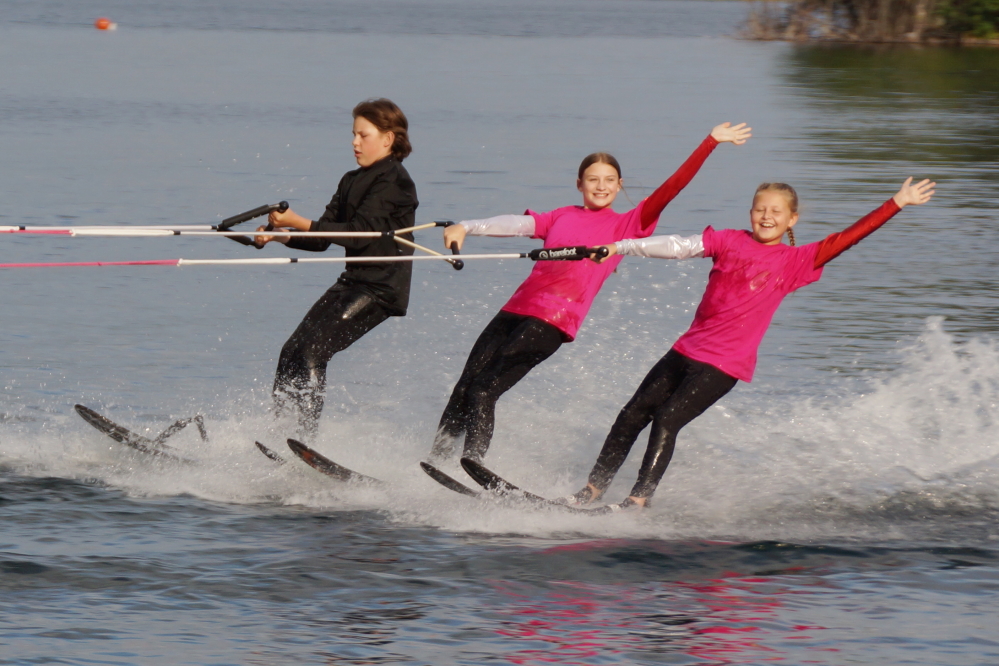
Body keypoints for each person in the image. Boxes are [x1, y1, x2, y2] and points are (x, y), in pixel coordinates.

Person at [563, 176, 936, 510]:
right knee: (632, 413)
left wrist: (896, 203)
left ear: (792, 220)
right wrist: (621, 246)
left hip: (723, 366)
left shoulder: (797, 260)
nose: (766, 216)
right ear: (750, 212)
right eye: (760, 209)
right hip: (685, 350)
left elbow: (848, 237)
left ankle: (638, 500)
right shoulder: (728, 240)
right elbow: (678, 245)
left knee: (665, 419)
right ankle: (593, 490)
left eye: (776, 211)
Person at [428, 122, 753, 465]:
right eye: (593, 180)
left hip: (552, 322)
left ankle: (472, 464)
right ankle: (434, 462)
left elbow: (672, 188)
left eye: (609, 180)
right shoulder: (561, 216)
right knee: (464, 387)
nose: (601, 186)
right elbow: (515, 225)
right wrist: (466, 226)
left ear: (619, 185)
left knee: (483, 389)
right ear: (579, 184)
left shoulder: (629, 224)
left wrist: (710, 142)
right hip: (514, 310)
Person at [254, 98, 418, 439]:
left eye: (363, 135)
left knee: (313, 353)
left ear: (387, 139)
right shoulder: (350, 180)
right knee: (291, 353)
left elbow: (358, 236)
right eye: (353, 134)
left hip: (381, 289)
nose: (355, 142)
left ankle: (304, 441)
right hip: (353, 283)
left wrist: (298, 219)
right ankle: (278, 435)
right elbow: (322, 238)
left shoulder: (396, 183)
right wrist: (281, 237)